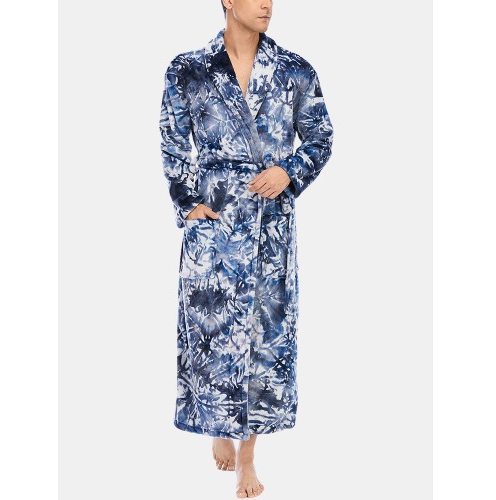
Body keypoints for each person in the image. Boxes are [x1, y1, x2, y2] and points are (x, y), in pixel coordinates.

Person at [159, 1, 334, 497]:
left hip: (269, 228)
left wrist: (288, 172)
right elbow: (173, 142)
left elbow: (320, 137)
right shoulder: (189, 69)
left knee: (263, 337)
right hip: (214, 228)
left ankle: (248, 455)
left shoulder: (294, 70)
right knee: (210, 332)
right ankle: (216, 423)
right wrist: (188, 204)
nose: (266, 4)